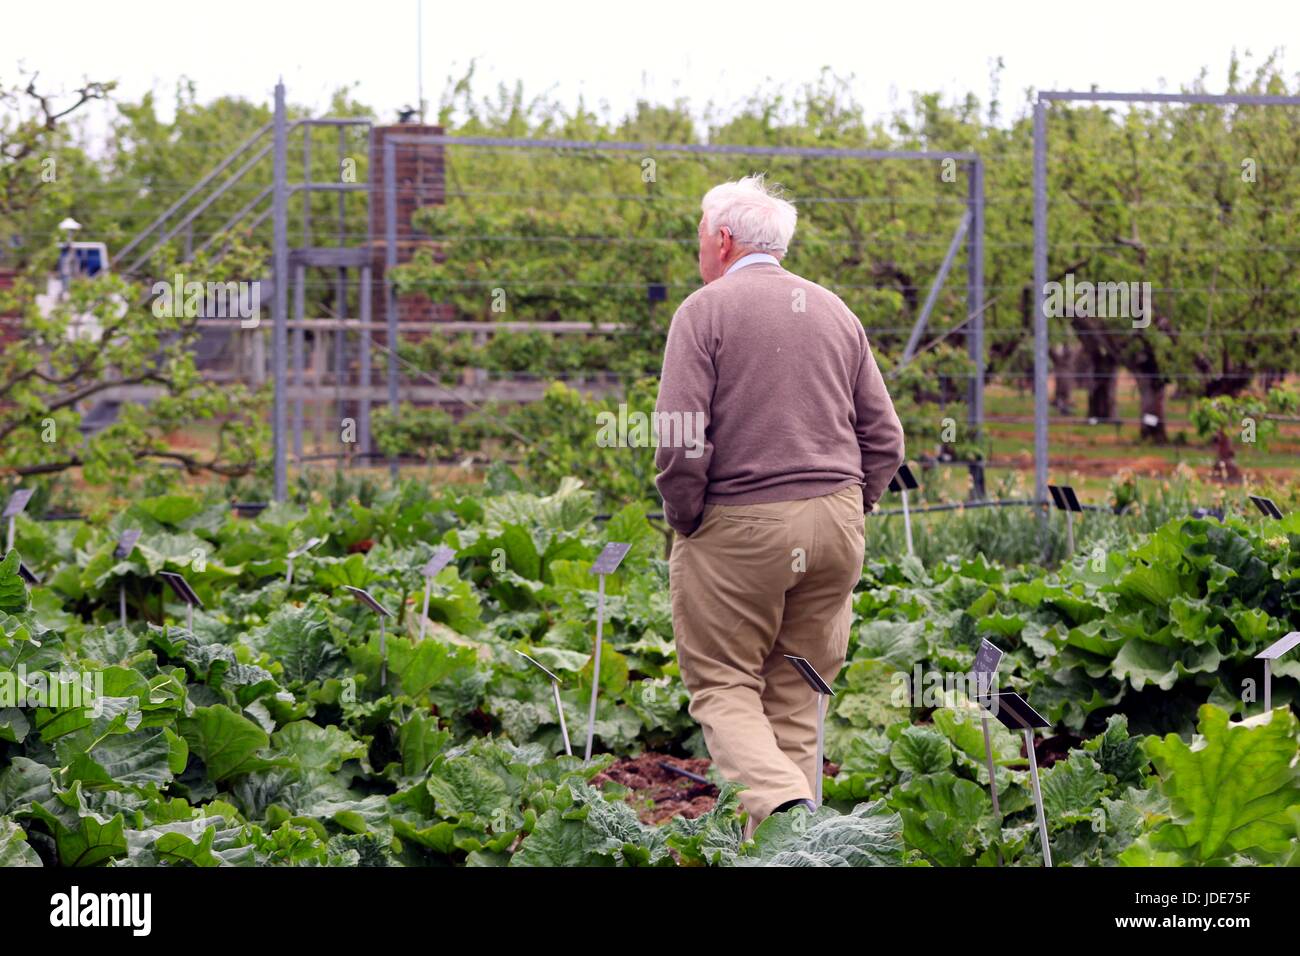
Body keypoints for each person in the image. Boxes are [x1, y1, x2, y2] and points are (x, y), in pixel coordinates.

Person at [654, 173, 905, 840]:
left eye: (701, 236)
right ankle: (792, 850)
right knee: (796, 690)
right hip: (836, 521)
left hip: (740, 524)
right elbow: (885, 438)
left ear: (725, 240)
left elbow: (680, 443)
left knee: (723, 683)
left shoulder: (703, 312)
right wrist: (851, 508)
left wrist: (686, 519)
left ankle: (785, 814)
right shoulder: (833, 310)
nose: (699, 249)